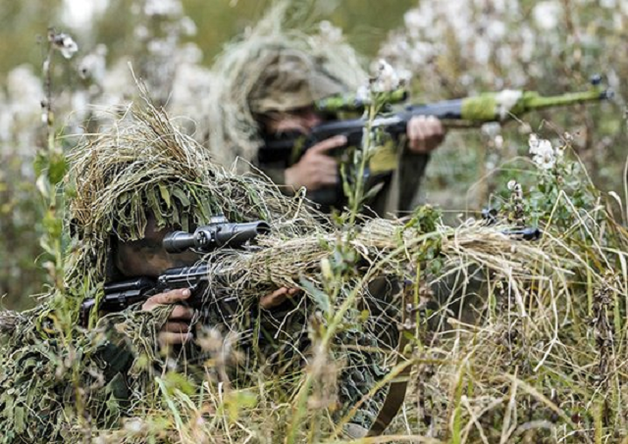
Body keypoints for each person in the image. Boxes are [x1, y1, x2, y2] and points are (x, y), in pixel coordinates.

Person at [207, 6, 445, 217]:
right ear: (258, 118)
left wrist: (412, 154)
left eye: (316, 107)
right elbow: (221, 206)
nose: (313, 120)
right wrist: (288, 181)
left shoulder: (342, 136)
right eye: (296, 112)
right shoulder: (221, 148)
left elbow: (377, 222)